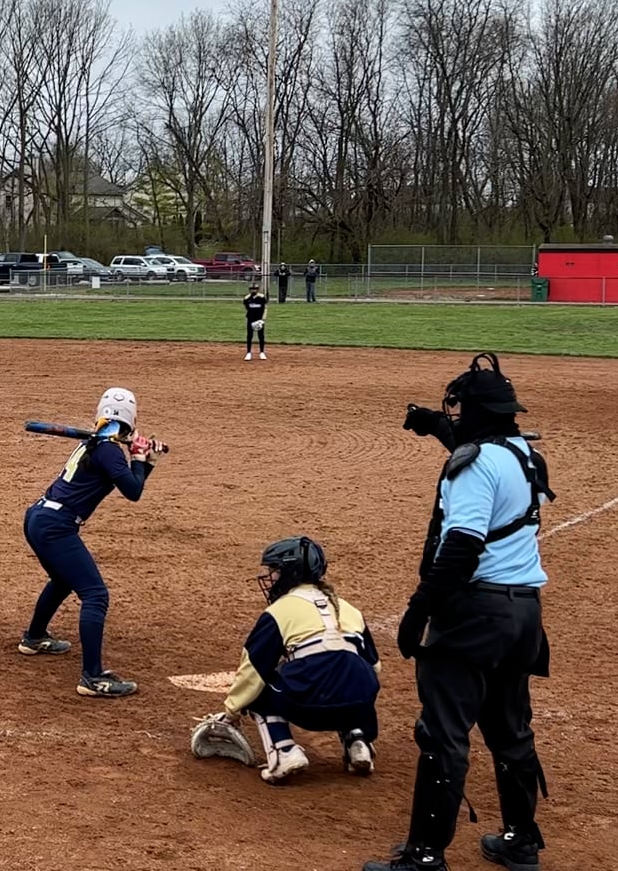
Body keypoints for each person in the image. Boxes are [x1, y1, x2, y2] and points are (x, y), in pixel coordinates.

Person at [369, 353, 555, 871]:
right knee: (511, 731)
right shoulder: (525, 455)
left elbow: (462, 546)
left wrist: (418, 608)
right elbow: (485, 454)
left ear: (475, 412)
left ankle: (425, 856)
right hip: (524, 616)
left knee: (443, 734)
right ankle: (520, 841)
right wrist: (434, 426)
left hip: (474, 614)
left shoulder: (474, 464)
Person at [189, 536, 381, 784]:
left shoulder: (279, 611)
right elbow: (374, 666)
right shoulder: (349, 608)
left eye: (274, 570)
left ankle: (284, 753)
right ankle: (358, 742)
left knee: (261, 684)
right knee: (350, 674)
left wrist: (231, 712)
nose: (270, 577)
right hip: (360, 703)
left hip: (309, 706)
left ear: (291, 572)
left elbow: (253, 670)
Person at [17, 387, 163, 698]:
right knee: (95, 595)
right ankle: (92, 677)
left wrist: (144, 462)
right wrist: (139, 458)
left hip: (40, 518)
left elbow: (131, 483)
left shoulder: (97, 444)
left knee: (63, 580)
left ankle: (34, 637)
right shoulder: (109, 450)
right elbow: (133, 492)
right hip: (56, 526)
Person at [243, 283, 269, 361]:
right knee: (249, 335)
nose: (253, 290)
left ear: (257, 290)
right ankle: (248, 353)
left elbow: (265, 308)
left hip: (259, 319)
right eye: (252, 289)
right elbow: (247, 308)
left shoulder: (262, 297)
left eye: (255, 289)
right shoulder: (247, 298)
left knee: (261, 336)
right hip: (250, 319)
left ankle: (262, 352)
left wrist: (263, 319)